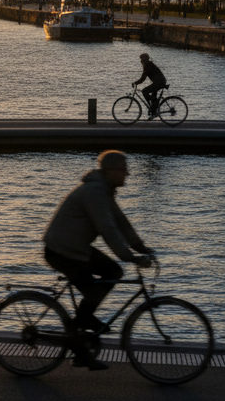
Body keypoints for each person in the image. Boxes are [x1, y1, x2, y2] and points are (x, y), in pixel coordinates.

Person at [42, 150, 154, 371]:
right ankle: (80, 348)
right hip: (61, 251)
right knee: (93, 293)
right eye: (123, 169)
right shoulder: (95, 192)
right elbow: (108, 230)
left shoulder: (104, 191)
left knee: (113, 271)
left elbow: (122, 223)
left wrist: (141, 247)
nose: (128, 174)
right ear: (110, 171)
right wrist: (130, 257)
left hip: (76, 248)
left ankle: (85, 320)